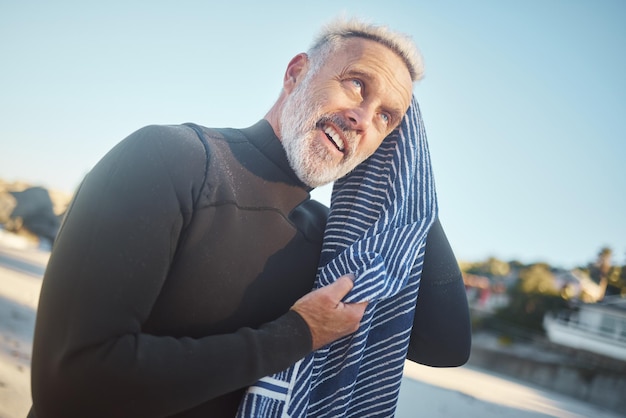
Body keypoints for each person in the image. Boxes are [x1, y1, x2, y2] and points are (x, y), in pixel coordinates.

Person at [27, 17, 470, 418]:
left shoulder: (330, 246)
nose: (362, 119)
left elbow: (445, 345)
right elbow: (70, 385)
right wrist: (295, 334)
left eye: (386, 118)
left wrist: (412, 185)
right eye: (356, 84)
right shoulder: (169, 159)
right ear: (296, 73)